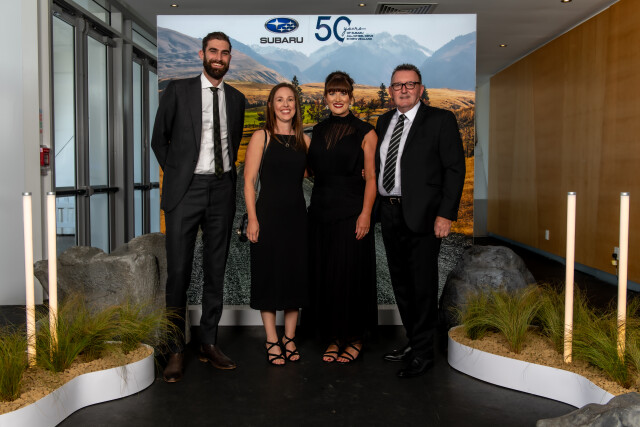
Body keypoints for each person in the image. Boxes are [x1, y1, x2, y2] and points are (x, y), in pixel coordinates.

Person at [151, 31, 246, 382]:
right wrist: (179, 174)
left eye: (224, 53)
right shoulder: (178, 91)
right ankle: (176, 349)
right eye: (213, 51)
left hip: (222, 191)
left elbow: (232, 142)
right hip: (185, 191)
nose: (218, 57)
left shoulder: (237, 99)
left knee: (215, 270)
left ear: (230, 58)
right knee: (178, 273)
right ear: (201, 54)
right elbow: (158, 140)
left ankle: (208, 343)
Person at [376, 64, 465, 378]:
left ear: (421, 89)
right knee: (401, 284)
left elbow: (454, 169)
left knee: (422, 286)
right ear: (391, 91)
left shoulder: (440, 120)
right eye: (397, 85)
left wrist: (446, 214)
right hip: (389, 212)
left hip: (425, 216)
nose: (403, 90)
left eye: (409, 84)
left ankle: (424, 354)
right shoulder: (384, 121)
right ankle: (414, 342)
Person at [307, 71, 378, 364]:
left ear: (351, 97)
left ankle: (355, 338)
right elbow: (309, 171)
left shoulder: (366, 132)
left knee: (350, 276)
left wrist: (365, 215)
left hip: (351, 213)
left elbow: (371, 178)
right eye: (332, 92)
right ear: (325, 97)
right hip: (320, 213)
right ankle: (334, 338)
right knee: (326, 276)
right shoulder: (317, 131)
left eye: (343, 93)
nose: (338, 98)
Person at [244, 83, 310, 365]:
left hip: (297, 217)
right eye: (280, 100)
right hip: (267, 216)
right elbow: (249, 181)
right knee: (268, 275)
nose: (285, 105)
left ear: (296, 105)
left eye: (290, 100)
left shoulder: (304, 140)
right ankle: (272, 339)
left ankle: (290, 338)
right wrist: (253, 218)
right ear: (271, 105)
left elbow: (320, 173)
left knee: (295, 276)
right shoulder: (262, 137)